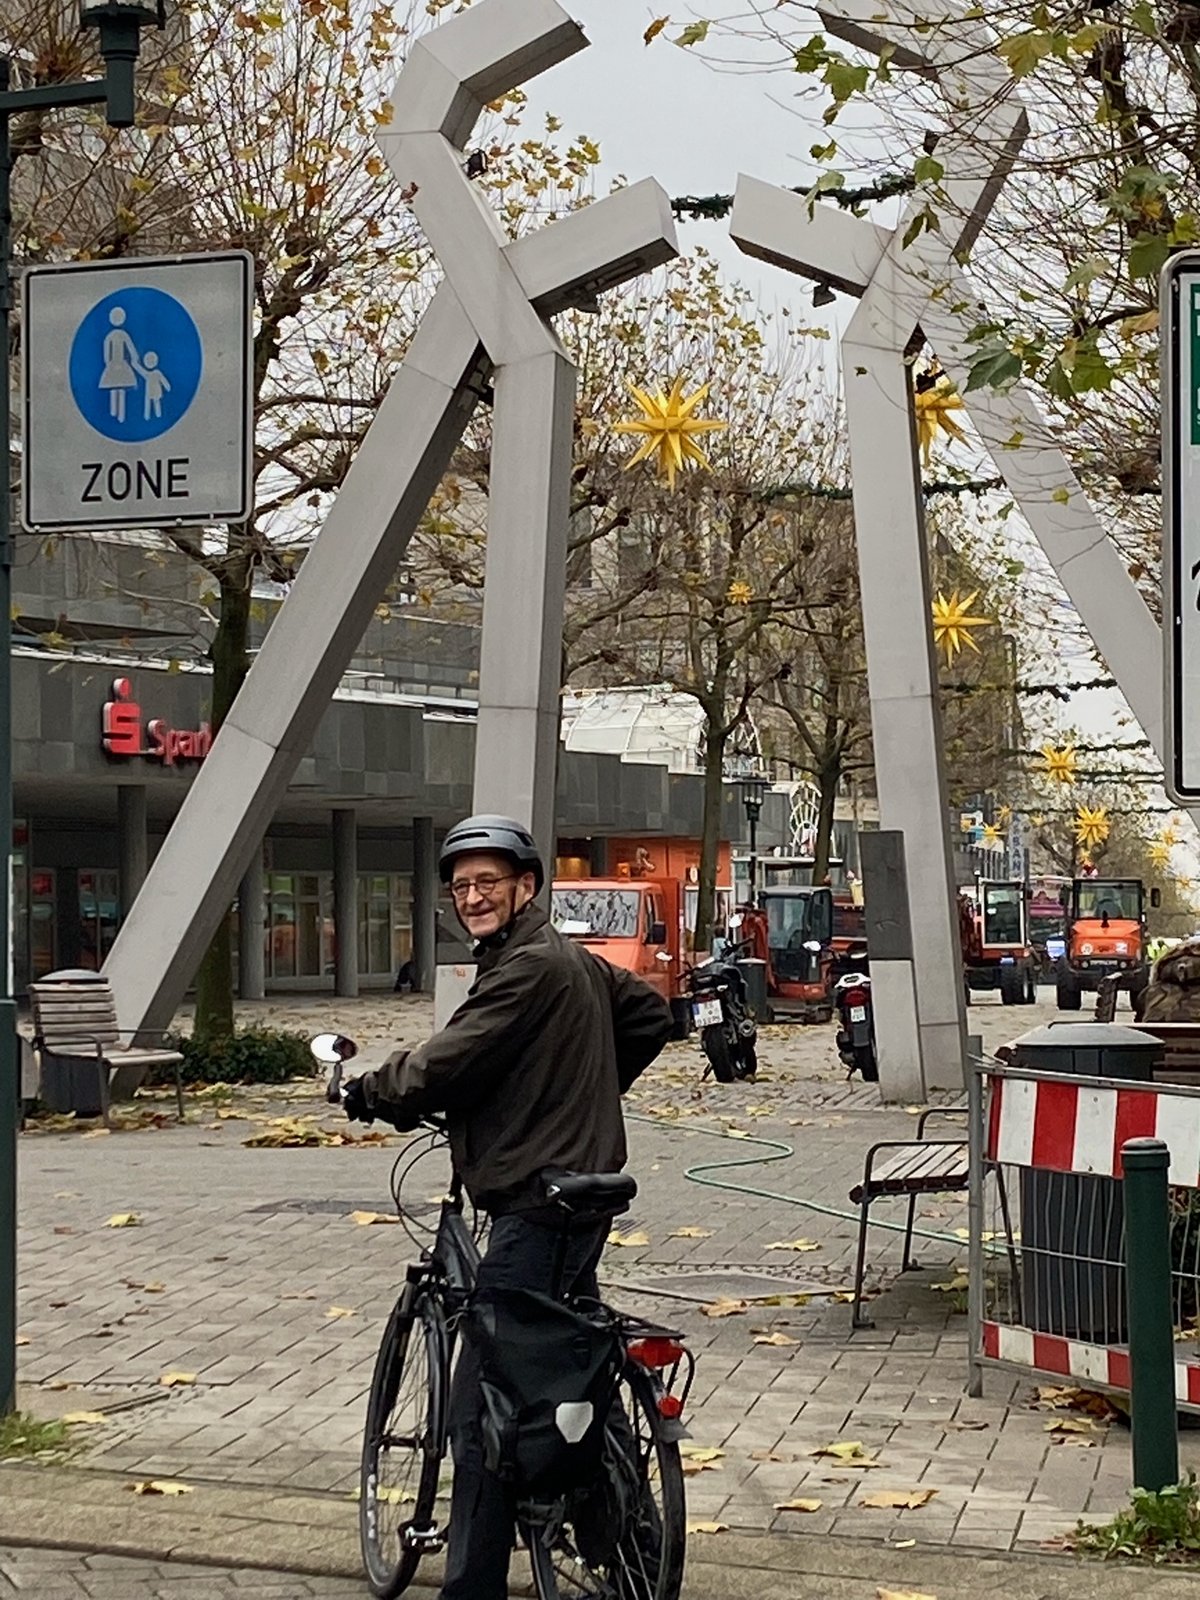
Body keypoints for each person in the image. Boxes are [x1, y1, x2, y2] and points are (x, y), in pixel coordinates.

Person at [341, 814, 673, 1600]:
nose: (473, 897)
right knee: (576, 1362)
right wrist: (576, 1093)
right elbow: (651, 1018)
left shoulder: (527, 968)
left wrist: (367, 1090)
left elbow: (444, 1063)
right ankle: (634, 1545)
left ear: (527, 887)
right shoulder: (574, 962)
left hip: (534, 1201)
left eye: (489, 882)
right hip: (582, 1193)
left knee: (482, 1403)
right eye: (461, 887)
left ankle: (472, 1585)